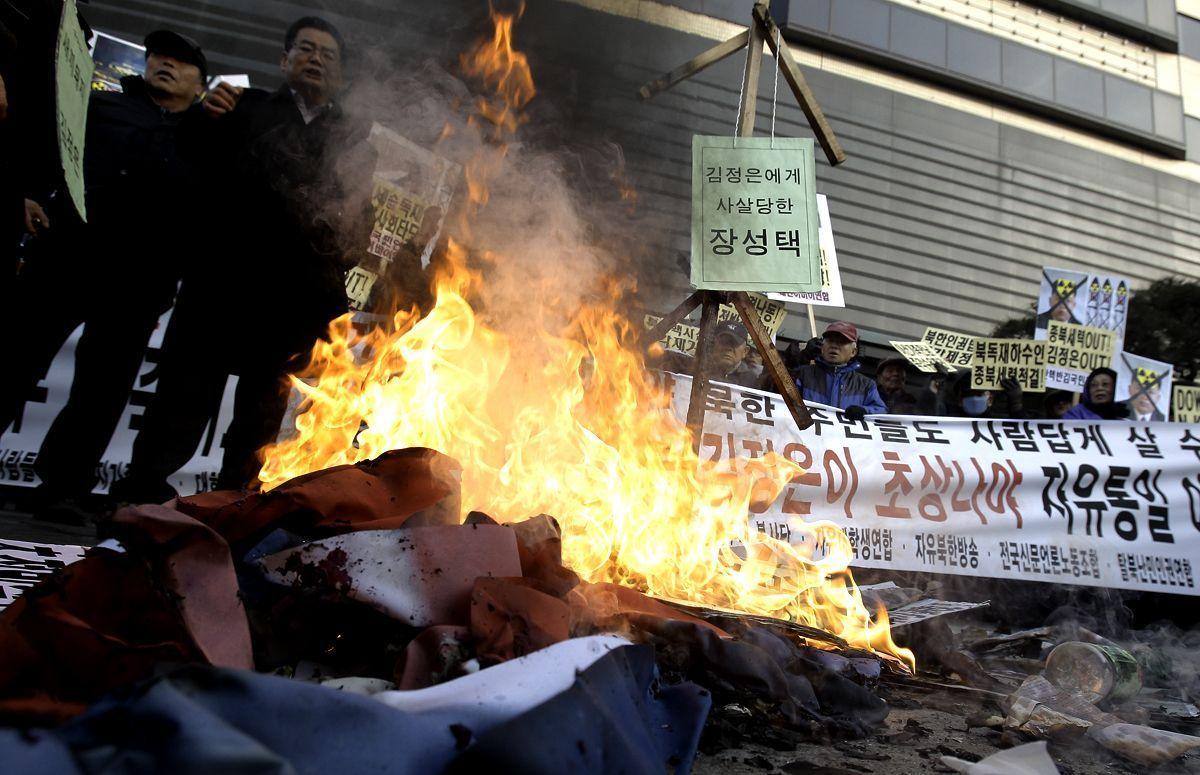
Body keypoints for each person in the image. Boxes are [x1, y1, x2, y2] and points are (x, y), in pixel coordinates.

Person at [112, 16, 373, 504]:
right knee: (183, 400)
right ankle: (138, 499)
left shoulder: (354, 140)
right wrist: (204, 116)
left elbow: (356, 217)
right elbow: (190, 153)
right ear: (284, 60)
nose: (315, 59)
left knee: (261, 416)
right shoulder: (239, 106)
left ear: (341, 76)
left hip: (294, 298)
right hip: (221, 283)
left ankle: (238, 507)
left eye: (327, 55)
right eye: (305, 49)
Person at [0, 30, 209, 521]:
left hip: (140, 282)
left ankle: (61, 489)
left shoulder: (209, 138)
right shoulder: (100, 105)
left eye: (181, 61)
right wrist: (26, 194)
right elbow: (44, 152)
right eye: (160, 55)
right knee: (13, 363)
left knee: (101, 392)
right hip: (67, 258)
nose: (165, 64)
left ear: (201, 83)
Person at [790, 322, 886, 419]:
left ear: (853, 352)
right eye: (830, 341)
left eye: (841, 342)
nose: (834, 346)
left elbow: (881, 412)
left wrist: (864, 411)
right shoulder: (802, 375)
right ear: (822, 347)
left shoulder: (866, 385)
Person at [652, 321, 760, 389]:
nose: (728, 348)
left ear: (745, 351)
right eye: (724, 342)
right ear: (712, 345)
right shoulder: (691, 368)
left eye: (734, 343)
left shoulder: (752, 381)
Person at [1061, 369, 1127, 421]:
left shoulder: (1127, 418)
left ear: (1116, 388)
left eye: (1105, 384)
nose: (1099, 388)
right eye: (1094, 385)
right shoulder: (1075, 415)